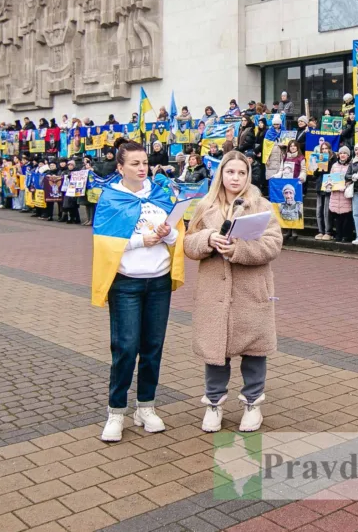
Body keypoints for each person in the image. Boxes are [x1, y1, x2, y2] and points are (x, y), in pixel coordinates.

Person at [184, 151, 282, 433]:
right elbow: (188, 244)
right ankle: (213, 403)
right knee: (216, 350)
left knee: (254, 350)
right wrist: (207, 239)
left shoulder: (260, 205)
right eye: (230, 172)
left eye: (241, 173)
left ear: (248, 176)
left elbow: (274, 245)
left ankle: (253, 404)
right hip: (214, 291)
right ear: (221, 175)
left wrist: (239, 249)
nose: (235, 178)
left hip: (251, 291)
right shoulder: (205, 206)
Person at [93, 141, 180, 442]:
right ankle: (116, 411)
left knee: (153, 347)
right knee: (126, 348)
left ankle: (146, 407)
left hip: (159, 282)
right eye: (134, 163)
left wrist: (169, 234)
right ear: (120, 167)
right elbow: (103, 242)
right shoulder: (111, 198)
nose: (142, 168)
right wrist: (141, 240)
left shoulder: (160, 194)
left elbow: (177, 233)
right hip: (126, 283)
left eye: (144, 163)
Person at [328, 146, 354, 243]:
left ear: (348, 155)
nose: (343, 155)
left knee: (346, 216)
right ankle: (338, 235)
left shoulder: (350, 165)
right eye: (341, 153)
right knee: (337, 217)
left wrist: (346, 185)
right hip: (335, 194)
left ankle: (346, 236)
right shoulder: (334, 165)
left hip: (345, 194)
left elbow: (351, 179)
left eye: (345, 153)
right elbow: (330, 178)